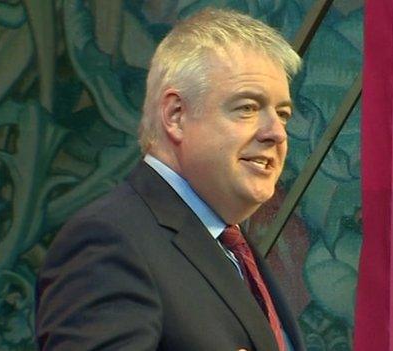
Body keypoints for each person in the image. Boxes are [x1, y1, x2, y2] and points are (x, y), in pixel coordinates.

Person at [35, 7, 304, 351]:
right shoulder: (108, 241)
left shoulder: (231, 248)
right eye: (248, 107)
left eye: (283, 114)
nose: (276, 133)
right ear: (176, 116)